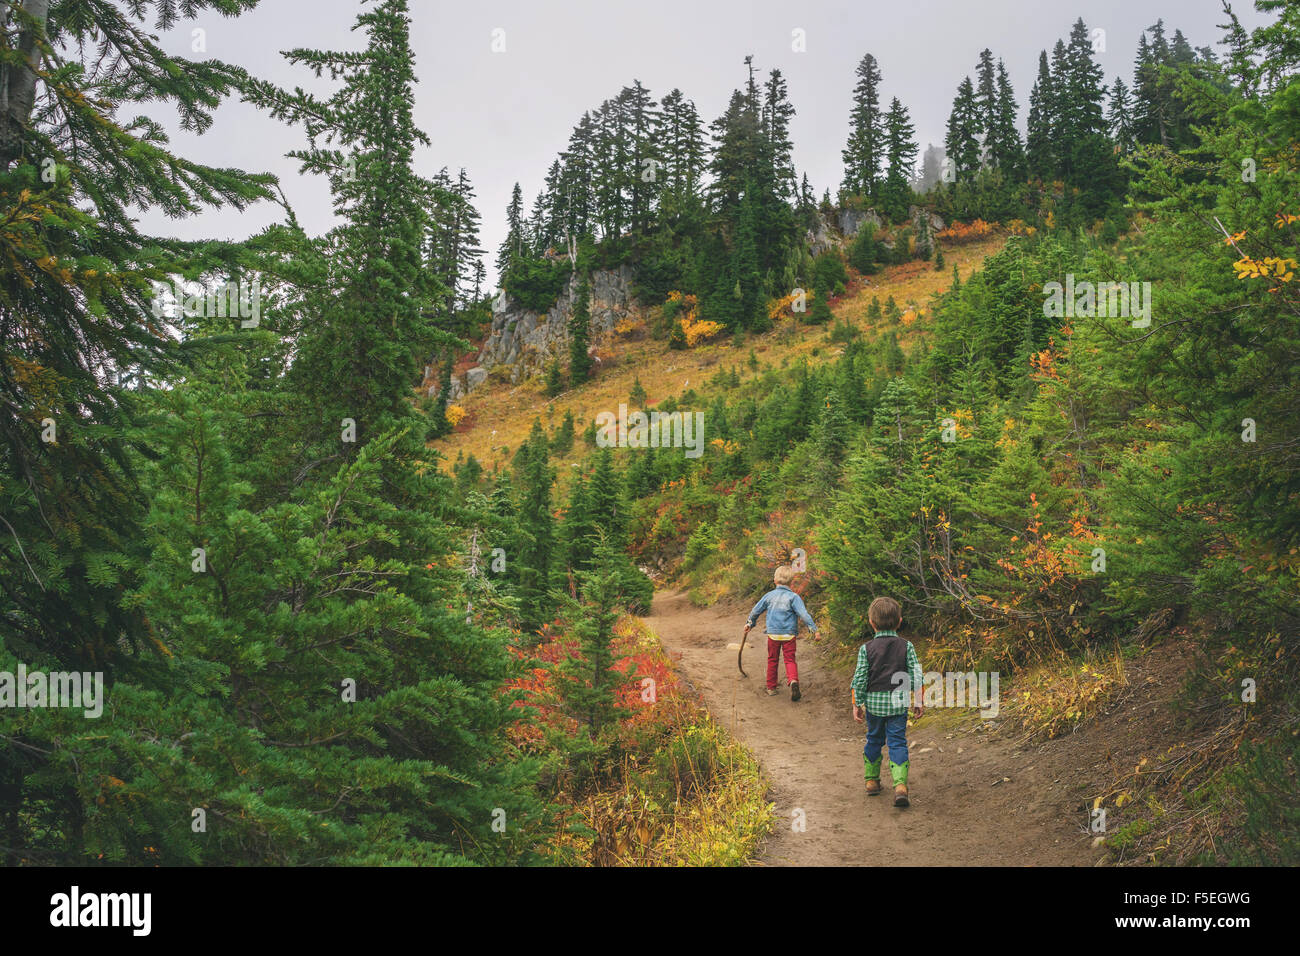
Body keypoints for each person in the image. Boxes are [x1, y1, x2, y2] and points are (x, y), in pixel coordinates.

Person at [850, 596, 924, 807]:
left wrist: (857, 704)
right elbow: (916, 675)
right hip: (898, 703)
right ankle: (900, 786)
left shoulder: (866, 649)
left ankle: (872, 781)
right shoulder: (906, 646)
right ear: (899, 621)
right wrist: (918, 700)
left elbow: (860, 678)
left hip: (874, 705)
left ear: (871, 623)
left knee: (874, 739)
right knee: (897, 741)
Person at [743, 565, 818, 701]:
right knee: (790, 659)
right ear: (791, 582)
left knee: (772, 659)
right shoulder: (794, 597)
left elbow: (756, 610)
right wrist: (814, 629)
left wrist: (749, 623)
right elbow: (804, 614)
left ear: (775, 580)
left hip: (773, 635)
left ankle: (771, 687)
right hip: (789, 634)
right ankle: (793, 681)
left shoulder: (769, 596)